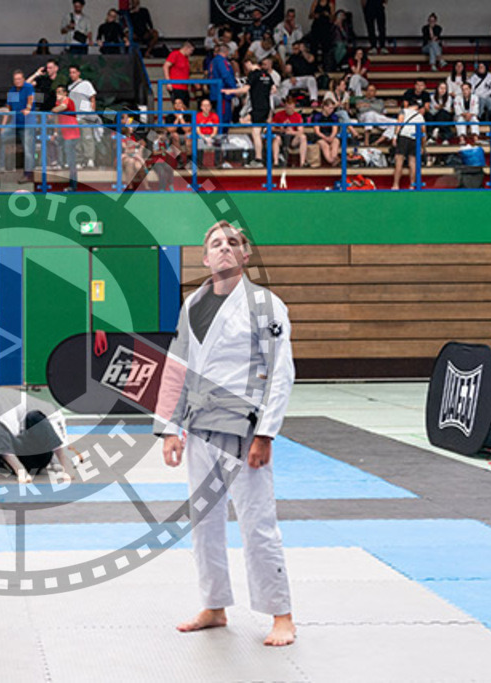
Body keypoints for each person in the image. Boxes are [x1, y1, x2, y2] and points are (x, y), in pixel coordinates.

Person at [155, 220, 295, 648]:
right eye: (216, 243)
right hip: (199, 429)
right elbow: (177, 366)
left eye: (233, 242)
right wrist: (169, 429)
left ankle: (282, 615)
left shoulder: (265, 305)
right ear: (205, 258)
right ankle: (214, 606)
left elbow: (280, 372)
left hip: (243, 430)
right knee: (204, 523)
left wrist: (266, 434)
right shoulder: (193, 304)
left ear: (245, 255)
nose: (224, 248)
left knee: (257, 523)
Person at [0, 384, 77, 485]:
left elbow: (12, 431)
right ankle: (20, 470)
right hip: (22, 445)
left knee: (58, 463)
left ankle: (67, 458)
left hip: (46, 420)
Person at [224, 56, 275, 168]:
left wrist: (230, 91)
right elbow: (274, 89)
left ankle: (258, 159)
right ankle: (259, 155)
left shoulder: (253, 74)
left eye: (245, 65)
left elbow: (244, 90)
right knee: (243, 121)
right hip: (264, 107)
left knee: (256, 133)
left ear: (248, 63)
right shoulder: (266, 74)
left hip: (258, 107)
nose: (245, 68)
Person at [6, 69, 36, 180]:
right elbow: (10, 107)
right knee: (0, 136)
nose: (17, 81)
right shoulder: (12, 91)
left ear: (23, 79)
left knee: (28, 150)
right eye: (15, 79)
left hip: (28, 123)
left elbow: (30, 99)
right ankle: (2, 167)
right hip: (15, 123)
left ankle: (28, 174)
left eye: (19, 79)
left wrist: (28, 108)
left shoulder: (28, 87)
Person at [66, 64, 97, 167]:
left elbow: (92, 99)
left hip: (85, 116)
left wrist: (92, 113)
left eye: (74, 72)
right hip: (74, 118)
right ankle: (79, 160)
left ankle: (90, 159)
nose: (72, 74)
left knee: (87, 138)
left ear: (78, 73)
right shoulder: (70, 87)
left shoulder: (86, 84)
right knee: (77, 140)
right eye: (70, 73)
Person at [391, 95, 424, 191]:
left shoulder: (403, 111)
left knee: (399, 161)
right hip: (414, 138)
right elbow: (423, 131)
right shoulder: (420, 116)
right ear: (416, 106)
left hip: (403, 137)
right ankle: (412, 185)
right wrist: (422, 145)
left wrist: (395, 137)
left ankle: (396, 185)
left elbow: (399, 124)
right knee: (412, 162)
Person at [51, 85, 80, 191]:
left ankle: (73, 185)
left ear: (65, 93)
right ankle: (58, 163)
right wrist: (55, 132)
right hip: (63, 134)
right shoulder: (57, 102)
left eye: (60, 92)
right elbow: (56, 118)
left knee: (71, 160)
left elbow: (61, 107)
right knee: (52, 144)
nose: (57, 94)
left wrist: (54, 109)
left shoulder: (68, 100)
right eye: (57, 92)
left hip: (72, 134)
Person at [272, 96, 307, 167]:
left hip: (292, 139)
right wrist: (281, 129)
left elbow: (301, 131)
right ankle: (276, 162)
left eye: (291, 108)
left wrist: (292, 132)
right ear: (285, 107)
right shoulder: (278, 115)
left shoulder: (298, 116)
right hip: (281, 137)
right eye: (288, 108)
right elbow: (272, 128)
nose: (290, 110)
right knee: (276, 139)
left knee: (303, 137)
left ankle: (302, 163)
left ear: (294, 107)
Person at [208, 43, 238, 126]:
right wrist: (234, 89)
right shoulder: (222, 61)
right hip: (223, 93)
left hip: (215, 91)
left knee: (220, 116)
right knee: (224, 118)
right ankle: (222, 133)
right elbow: (226, 75)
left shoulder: (213, 61)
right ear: (227, 51)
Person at [310, 98, 341, 166]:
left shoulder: (334, 116)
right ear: (324, 107)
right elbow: (317, 131)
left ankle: (334, 159)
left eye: (333, 108)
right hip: (320, 136)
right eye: (330, 108)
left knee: (336, 142)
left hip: (331, 135)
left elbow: (334, 130)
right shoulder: (317, 116)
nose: (331, 110)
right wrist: (325, 138)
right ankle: (334, 160)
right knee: (325, 146)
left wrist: (331, 137)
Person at [164, 42, 195, 108]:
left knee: (185, 107)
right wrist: (168, 82)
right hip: (176, 86)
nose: (191, 53)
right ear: (186, 48)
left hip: (184, 87)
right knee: (179, 107)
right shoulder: (175, 54)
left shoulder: (186, 58)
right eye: (191, 50)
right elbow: (166, 66)